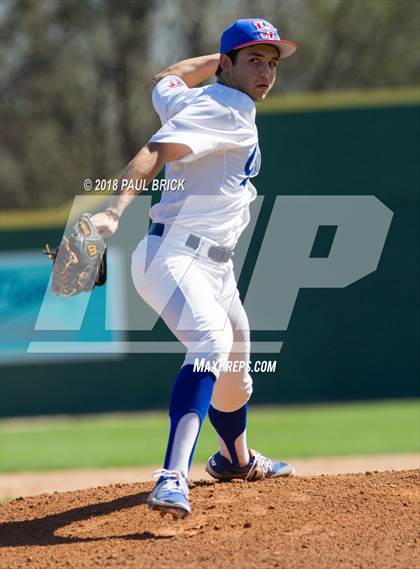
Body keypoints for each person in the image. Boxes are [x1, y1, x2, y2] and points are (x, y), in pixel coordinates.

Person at [91, 19, 298, 518]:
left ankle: (234, 459)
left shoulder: (187, 99)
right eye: (254, 61)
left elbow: (167, 75)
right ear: (226, 66)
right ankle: (171, 477)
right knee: (209, 343)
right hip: (175, 257)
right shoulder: (224, 107)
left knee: (235, 377)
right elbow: (153, 152)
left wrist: (232, 54)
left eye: (271, 63)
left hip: (215, 268)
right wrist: (111, 212)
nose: (266, 72)